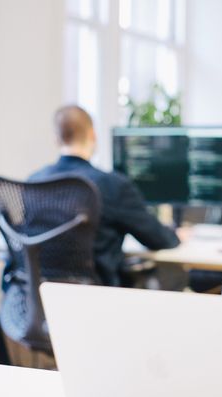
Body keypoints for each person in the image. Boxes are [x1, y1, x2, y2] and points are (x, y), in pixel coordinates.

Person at [26, 105, 182, 289]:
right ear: (93, 135)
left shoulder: (34, 182)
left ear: (56, 139)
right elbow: (159, 239)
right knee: (176, 277)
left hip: (40, 297)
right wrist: (175, 233)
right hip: (96, 297)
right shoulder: (112, 185)